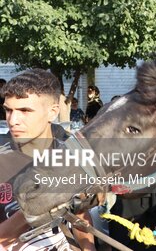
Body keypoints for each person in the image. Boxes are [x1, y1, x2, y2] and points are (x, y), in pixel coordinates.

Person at [0, 69, 95, 250]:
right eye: (8, 110)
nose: (13, 120)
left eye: (25, 110)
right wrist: (36, 208)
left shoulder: (69, 155)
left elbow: (81, 216)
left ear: (53, 112)